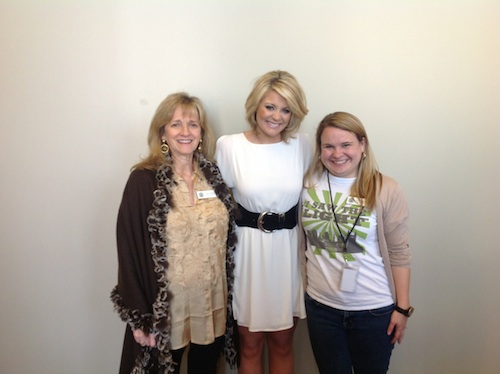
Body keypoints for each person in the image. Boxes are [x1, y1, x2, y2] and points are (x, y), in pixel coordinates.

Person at [110, 92, 238, 374]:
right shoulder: (144, 180)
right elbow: (129, 249)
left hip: (211, 302)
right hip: (168, 309)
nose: (185, 132)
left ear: (201, 133)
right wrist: (139, 318)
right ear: (162, 132)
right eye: (176, 124)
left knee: (205, 368)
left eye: (193, 124)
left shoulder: (213, 177)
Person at [300, 112, 413, 374]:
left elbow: (399, 253)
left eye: (346, 144)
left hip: (373, 311)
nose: (337, 153)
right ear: (320, 150)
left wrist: (402, 309)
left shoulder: (386, 188)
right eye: (329, 146)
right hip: (322, 309)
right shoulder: (307, 185)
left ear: (362, 145)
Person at [215, 70, 312, 374]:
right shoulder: (229, 146)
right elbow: (215, 204)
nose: (277, 117)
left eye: (286, 110)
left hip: (287, 251)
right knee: (250, 342)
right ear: (255, 105)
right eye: (270, 107)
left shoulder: (303, 145)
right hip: (247, 252)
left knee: (283, 342)